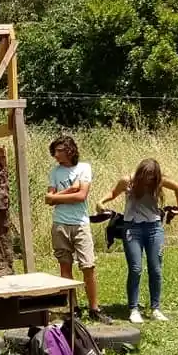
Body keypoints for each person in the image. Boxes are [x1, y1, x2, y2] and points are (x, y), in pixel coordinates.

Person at [98, 159, 178, 324]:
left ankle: (155, 308)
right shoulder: (127, 181)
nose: (148, 180)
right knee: (136, 268)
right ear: (140, 173)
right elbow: (113, 193)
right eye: (146, 176)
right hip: (132, 228)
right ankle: (134, 309)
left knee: (156, 269)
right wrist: (101, 202)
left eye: (152, 177)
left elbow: (177, 187)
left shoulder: (160, 181)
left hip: (154, 228)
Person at [45, 135, 113, 324]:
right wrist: (69, 190)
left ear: (69, 150)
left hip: (80, 223)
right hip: (60, 224)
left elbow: (82, 196)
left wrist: (59, 196)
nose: (55, 155)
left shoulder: (84, 168)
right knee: (65, 267)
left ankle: (94, 308)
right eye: (55, 151)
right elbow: (47, 200)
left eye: (59, 151)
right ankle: (73, 308)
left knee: (88, 266)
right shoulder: (55, 172)